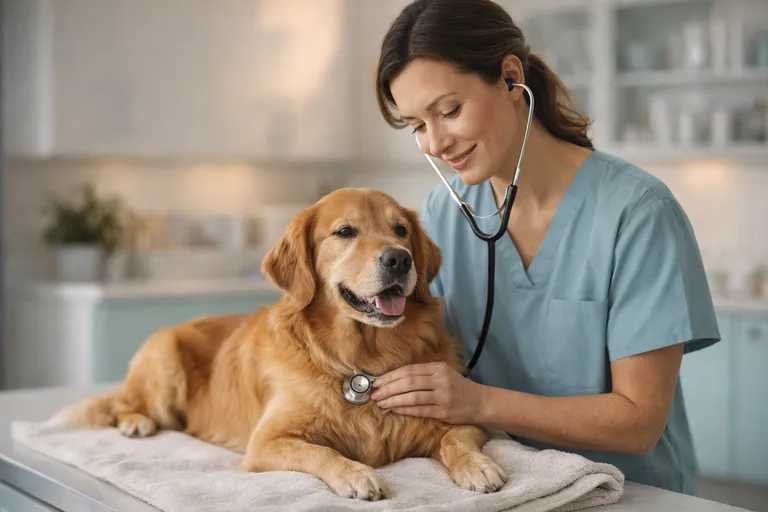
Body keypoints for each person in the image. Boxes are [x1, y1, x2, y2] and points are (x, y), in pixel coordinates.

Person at [367, 0, 721, 496]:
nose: (435, 143)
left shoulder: (637, 213)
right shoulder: (444, 216)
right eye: (417, 125)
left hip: (631, 495)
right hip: (506, 488)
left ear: (511, 77)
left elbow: (639, 422)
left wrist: (476, 403)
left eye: (449, 111)